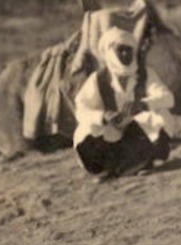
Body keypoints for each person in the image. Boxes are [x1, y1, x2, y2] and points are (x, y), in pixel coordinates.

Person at [72, 27, 174, 178]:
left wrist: (144, 104)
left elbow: (168, 98)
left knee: (161, 115)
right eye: (121, 50)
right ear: (109, 52)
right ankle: (111, 167)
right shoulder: (97, 79)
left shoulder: (145, 74)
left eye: (129, 50)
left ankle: (140, 162)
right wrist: (103, 116)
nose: (126, 54)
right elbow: (81, 110)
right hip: (110, 134)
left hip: (136, 133)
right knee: (85, 128)